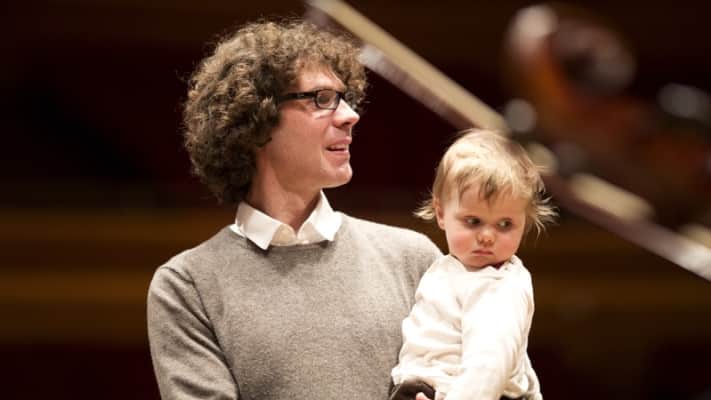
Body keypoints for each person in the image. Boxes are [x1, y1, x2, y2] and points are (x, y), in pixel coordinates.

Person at [146, 19, 442, 400]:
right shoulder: (188, 286)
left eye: (345, 98)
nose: (349, 115)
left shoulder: (412, 260)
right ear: (257, 119)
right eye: (321, 99)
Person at [390, 129, 557, 400]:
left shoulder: (500, 284)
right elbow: (520, 363)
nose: (487, 236)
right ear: (441, 213)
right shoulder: (448, 269)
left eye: (505, 224)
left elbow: (490, 367)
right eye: (473, 221)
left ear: (524, 222)